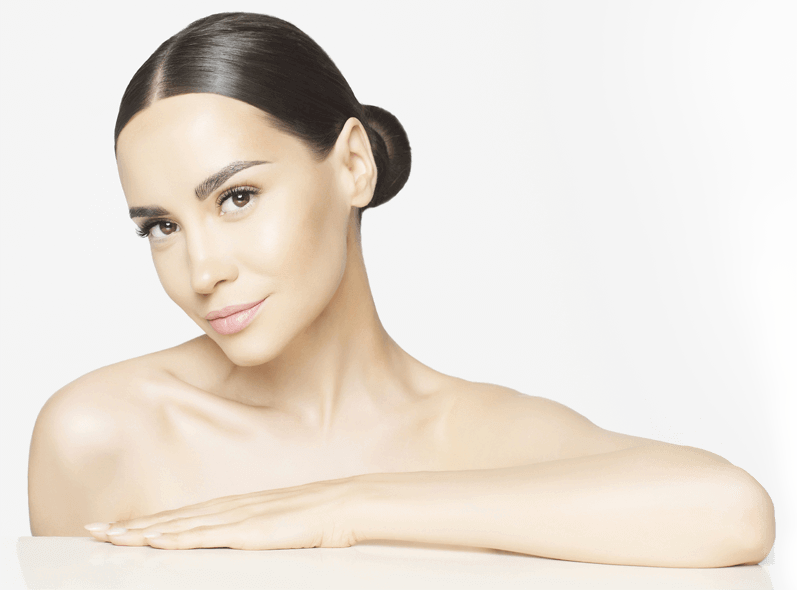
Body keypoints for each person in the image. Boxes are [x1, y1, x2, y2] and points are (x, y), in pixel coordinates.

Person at [27, 12, 774, 567]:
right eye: (160, 227)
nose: (201, 271)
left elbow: (730, 511)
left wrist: (346, 506)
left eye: (237, 198)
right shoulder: (100, 435)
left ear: (353, 165)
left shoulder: (469, 433)